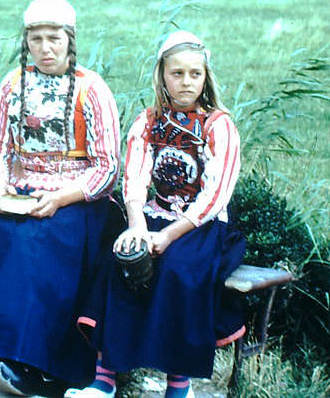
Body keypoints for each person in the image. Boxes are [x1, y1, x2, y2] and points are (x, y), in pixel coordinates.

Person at [0, 0, 122, 396]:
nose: (45, 48)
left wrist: (61, 198)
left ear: (70, 39)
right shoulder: (12, 83)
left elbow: (108, 166)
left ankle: (35, 361)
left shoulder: (91, 89)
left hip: (79, 199)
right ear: (26, 40)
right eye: (36, 39)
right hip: (22, 190)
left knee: (38, 241)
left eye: (54, 38)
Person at [67, 30, 245, 398]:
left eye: (195, 74)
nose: (186, 81)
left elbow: (215, 194)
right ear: (162, 75)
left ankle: (178, 385)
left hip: (199, 224)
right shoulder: (148, 122)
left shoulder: (218, 125)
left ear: (205, 77)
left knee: (180, 272)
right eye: (177, 73)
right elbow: (134, 177)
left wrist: (166, 237)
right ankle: (104, 379)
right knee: (120, 259)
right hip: (152, 215)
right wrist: (137, 227)